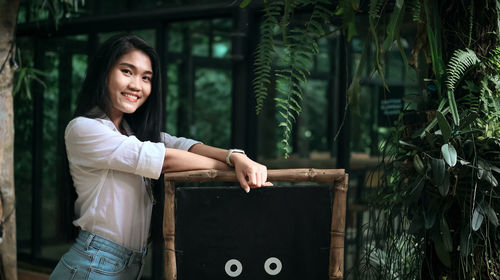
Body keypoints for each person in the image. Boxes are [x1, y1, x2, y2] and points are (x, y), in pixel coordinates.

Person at [50, 33, 271, 280]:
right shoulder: (84, 128)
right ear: (103, 72)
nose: (137, 85)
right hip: (92, 265)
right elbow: (165, 159)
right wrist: (232, 168)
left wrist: (236, 157)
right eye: (127, 71)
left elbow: (185, 146)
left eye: (146, 78)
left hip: (123, 264)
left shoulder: (134, 133)